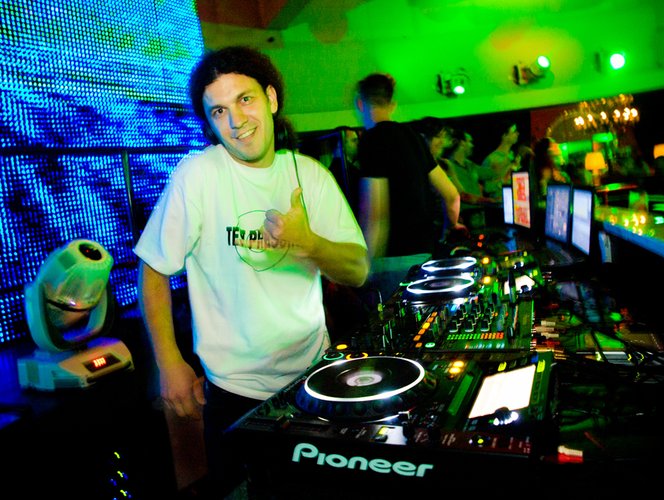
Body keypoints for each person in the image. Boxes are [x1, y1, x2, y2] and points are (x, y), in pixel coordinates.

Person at [134, 45, 368, 498]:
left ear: (271, 98)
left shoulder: (311, 176)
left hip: (313, 376)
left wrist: (310, 243)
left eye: (245, 99)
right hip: (232, 392)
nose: (236, 121)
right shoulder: (197, 176)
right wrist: (169, 362)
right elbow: (153, 270)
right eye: (219, 111)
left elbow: (357, 270)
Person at [354, 73, 466, 302]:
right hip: (424, 256)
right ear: (392, 104)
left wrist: (365, 268)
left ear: (360, 104)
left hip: (390, 262)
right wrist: (451, 226)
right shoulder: (412, 136)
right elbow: (452, 195)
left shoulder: (371, 141)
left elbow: (376, 215)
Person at [480, 120, 527, 200]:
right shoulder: (491, 159)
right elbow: (486, 188)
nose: (517, 133)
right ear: (504, 135)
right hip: (500, 203)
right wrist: (503, 181)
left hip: (518, 201)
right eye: (514, 131)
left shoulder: (515, 157)